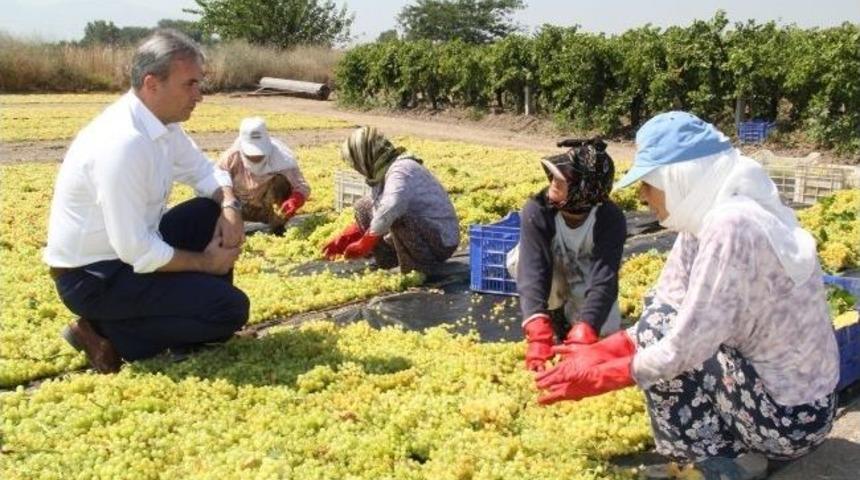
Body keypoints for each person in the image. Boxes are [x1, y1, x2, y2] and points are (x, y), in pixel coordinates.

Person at [534, 112, 838, 479]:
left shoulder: (732, 225)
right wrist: (596, 352)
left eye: (649, 183)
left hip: (791, 419)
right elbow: (661, 315)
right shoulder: (704, 216)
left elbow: (682, 349)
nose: (643, 197)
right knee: (658, 324)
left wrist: (600, 377)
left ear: (678, 176)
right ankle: (726, 452)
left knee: (666, 358)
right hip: (767, 396)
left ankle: (719, 463)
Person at [43, 29, 250, 373]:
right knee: (231, 310)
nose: (199, 95)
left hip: (125, 254)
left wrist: (230, 205)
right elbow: (136, 251)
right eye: (190, 84)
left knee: (209, 211)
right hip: (95, 277)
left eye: (200, 83)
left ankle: (193, 314)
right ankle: (102, 331)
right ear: (152, 83)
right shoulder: (122, 144)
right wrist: (205, 263)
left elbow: (204, 172)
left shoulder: (161, 124)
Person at [508, 138, 627, 373]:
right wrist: (536, 324)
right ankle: (553, 316)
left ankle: (575, 321)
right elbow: (533, 269)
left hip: (588, 270)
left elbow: (604, 277)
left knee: (604, 333)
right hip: (552, 268)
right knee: (519, 260)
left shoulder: (609, 218)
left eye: (560, 180)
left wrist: (588, 326)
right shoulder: (537, 209)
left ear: (583, 189)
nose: (551, 183)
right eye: (552, 177)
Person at [322, 126, 459, 275]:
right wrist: (348, 236)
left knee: (397, 217)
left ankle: (419, 268)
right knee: (363, 206)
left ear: (366, 157)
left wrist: (365, 242)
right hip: (417, 233)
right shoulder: (380, 175)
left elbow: (392, 206)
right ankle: (389, 261)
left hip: (440, 241)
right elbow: (377, 210)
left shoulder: (401, 169)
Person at [217, 117, 311, 235]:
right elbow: (215, 184)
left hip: (270, 207)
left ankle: (278, 225)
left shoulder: (282, 158)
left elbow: (302, 186)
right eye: (251, 154)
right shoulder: (231, 158)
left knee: (281, 180)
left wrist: (295, 199)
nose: (256, 158)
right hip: (239, 207)